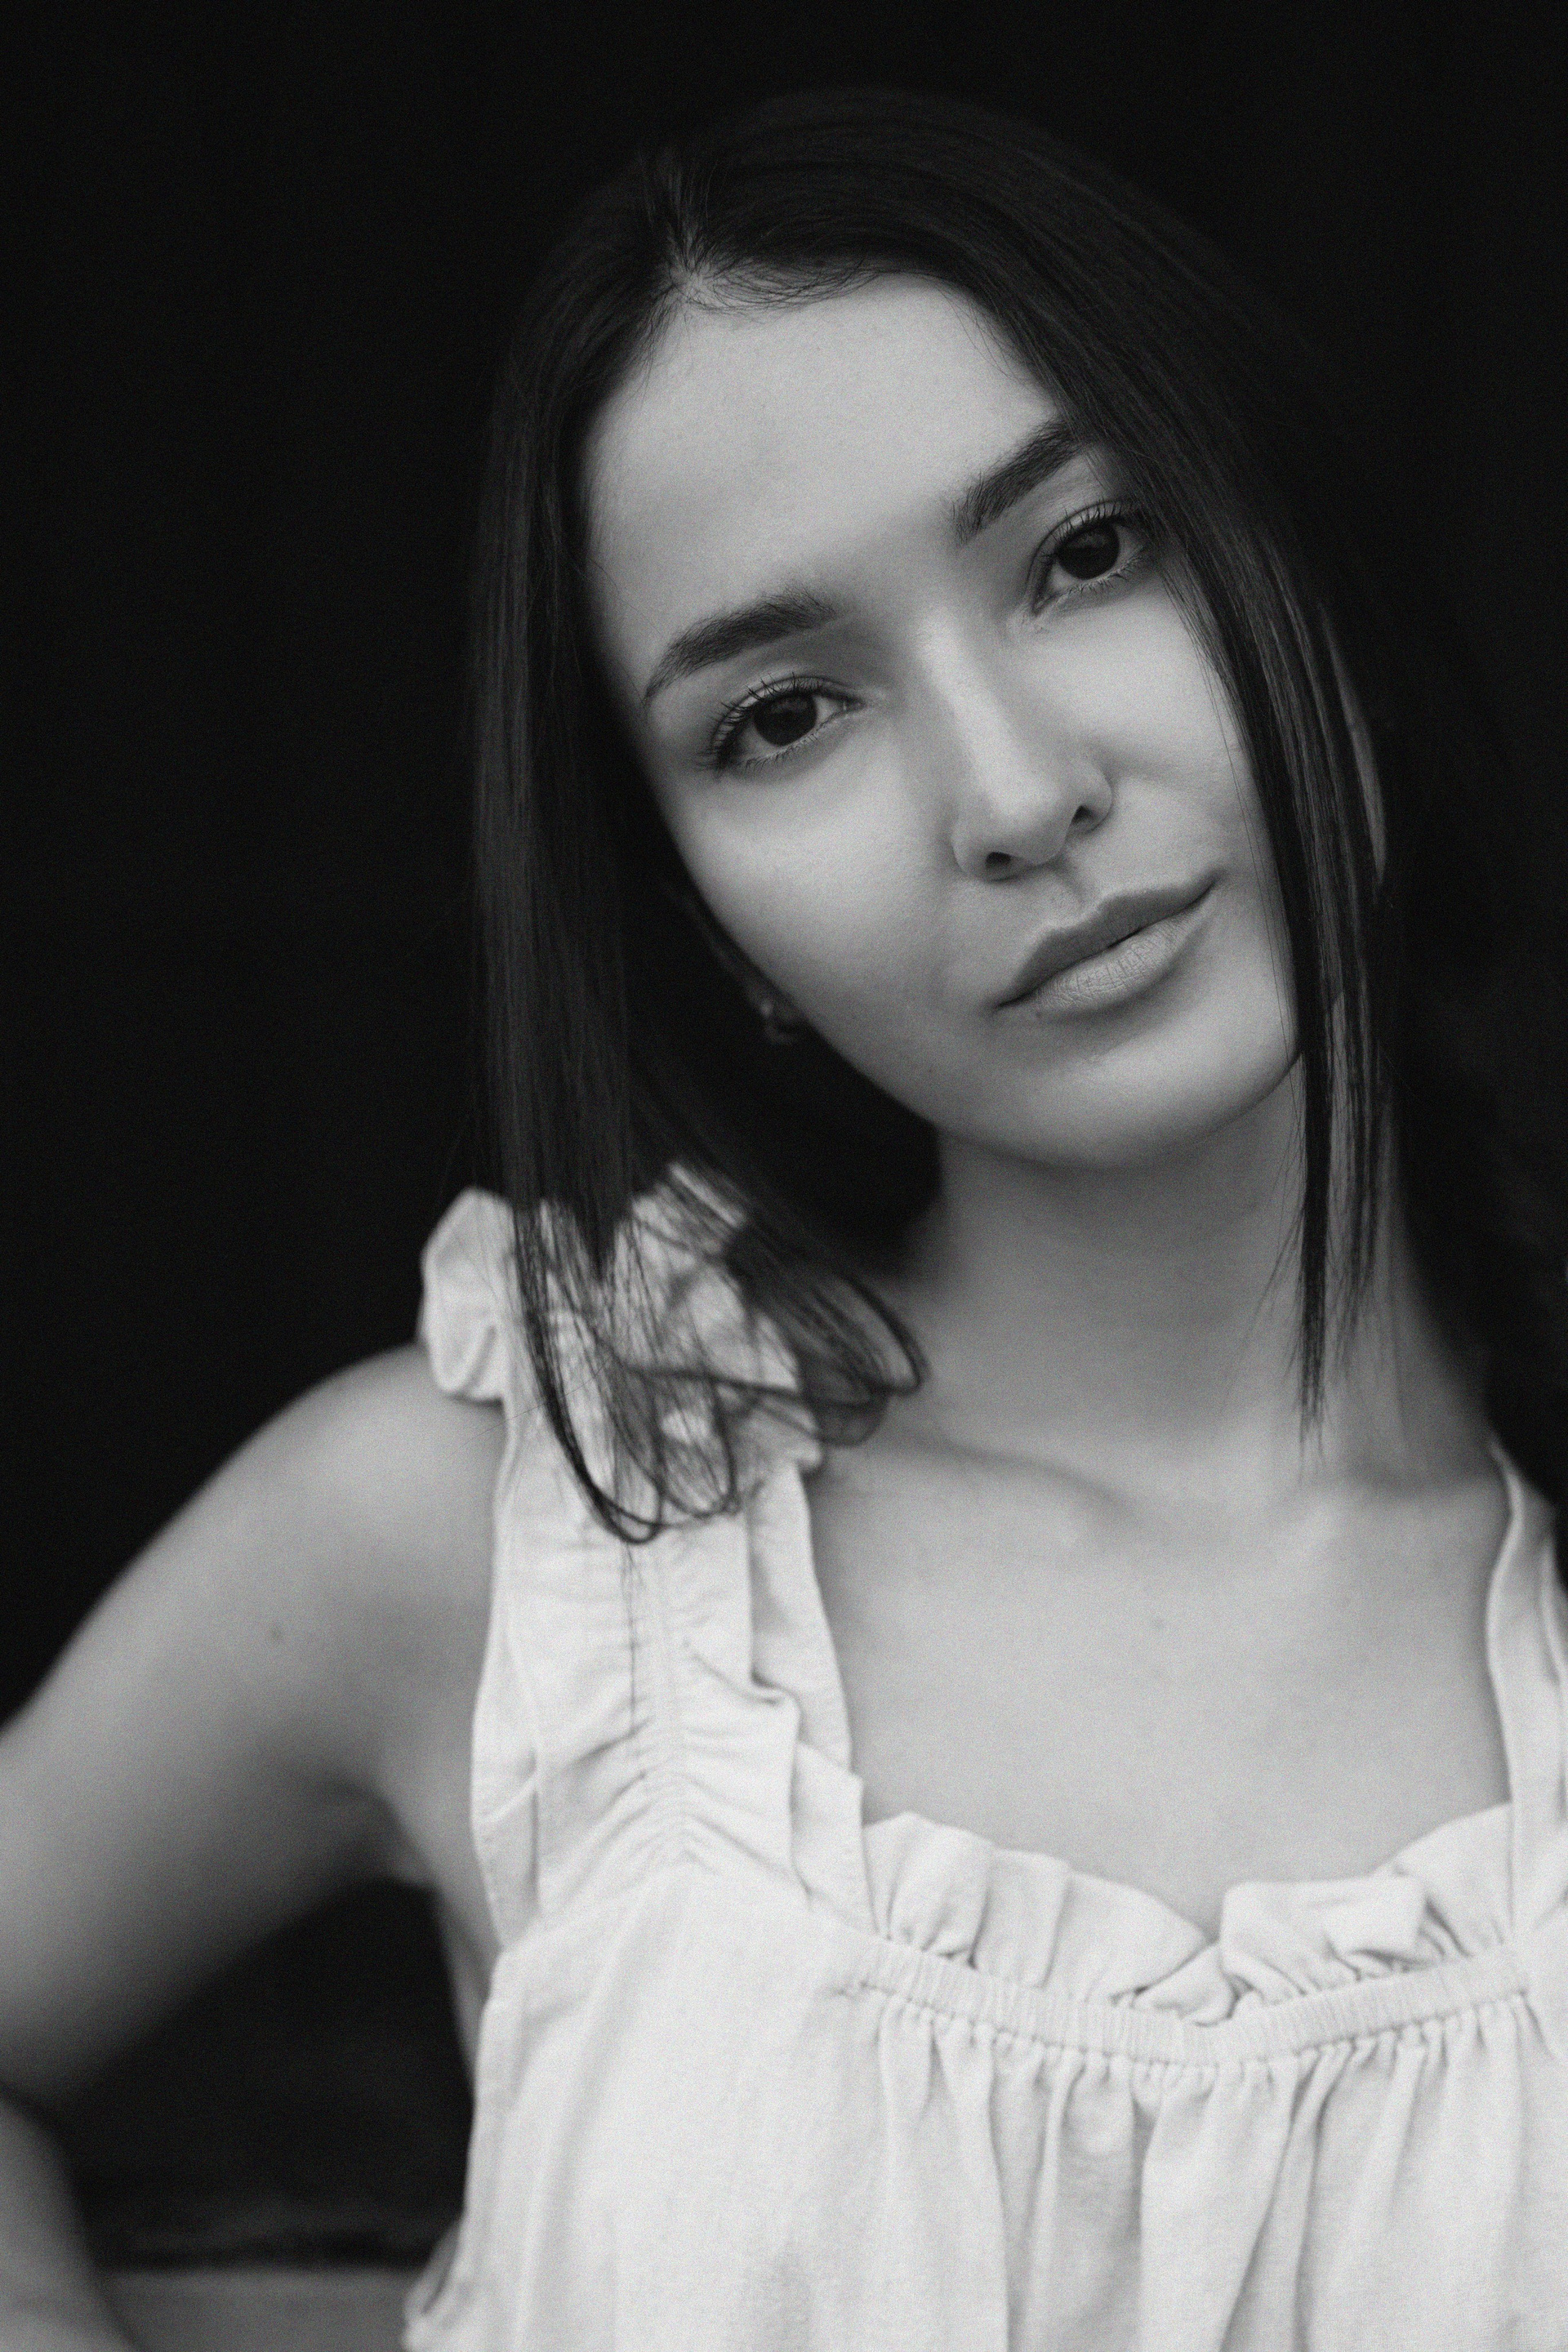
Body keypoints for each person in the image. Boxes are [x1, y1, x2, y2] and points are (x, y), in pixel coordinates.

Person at [4, 82, 1567, 2352]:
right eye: (786, 716)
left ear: (1310, 563)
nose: (1017, 794)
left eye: (1091, 553)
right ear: (698, 913)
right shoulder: (521, 1542)